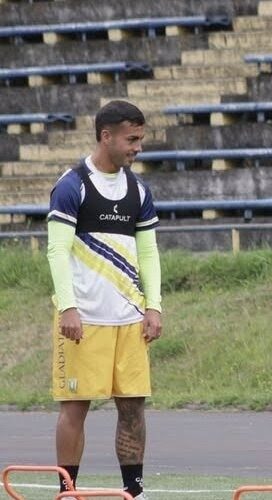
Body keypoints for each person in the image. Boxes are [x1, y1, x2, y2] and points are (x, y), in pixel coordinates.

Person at [47, 100, 162, 500]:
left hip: (129, 321)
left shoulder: (138, 189)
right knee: (75, 407)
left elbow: (148, 253)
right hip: (84, 321)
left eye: (140, 140)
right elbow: (57, 251)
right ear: (106, 136)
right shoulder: (72, 185)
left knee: (133, 408)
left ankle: (135, 490)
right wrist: (68, 306)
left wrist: (154, 306)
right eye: (132, 140)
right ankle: (66, 490)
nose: (138, 148)